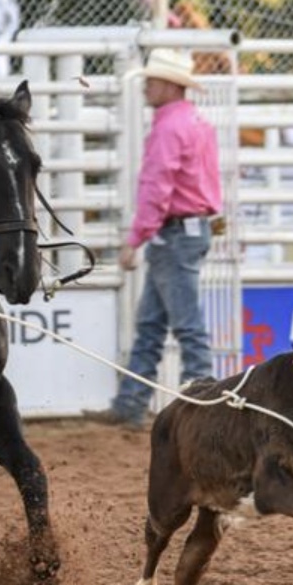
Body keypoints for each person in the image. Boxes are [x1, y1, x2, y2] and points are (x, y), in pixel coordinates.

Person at [90, 49, 223, 429]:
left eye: (151, 81)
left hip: (175, 232)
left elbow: (156, 187)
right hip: (190, 228)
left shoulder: (168, 127)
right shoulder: (197, 122)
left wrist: (135, 238)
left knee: (184, 325)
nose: (146, 86)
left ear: (168, 84)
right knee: (154, 322)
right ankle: (130, 404)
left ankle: (205, 405)